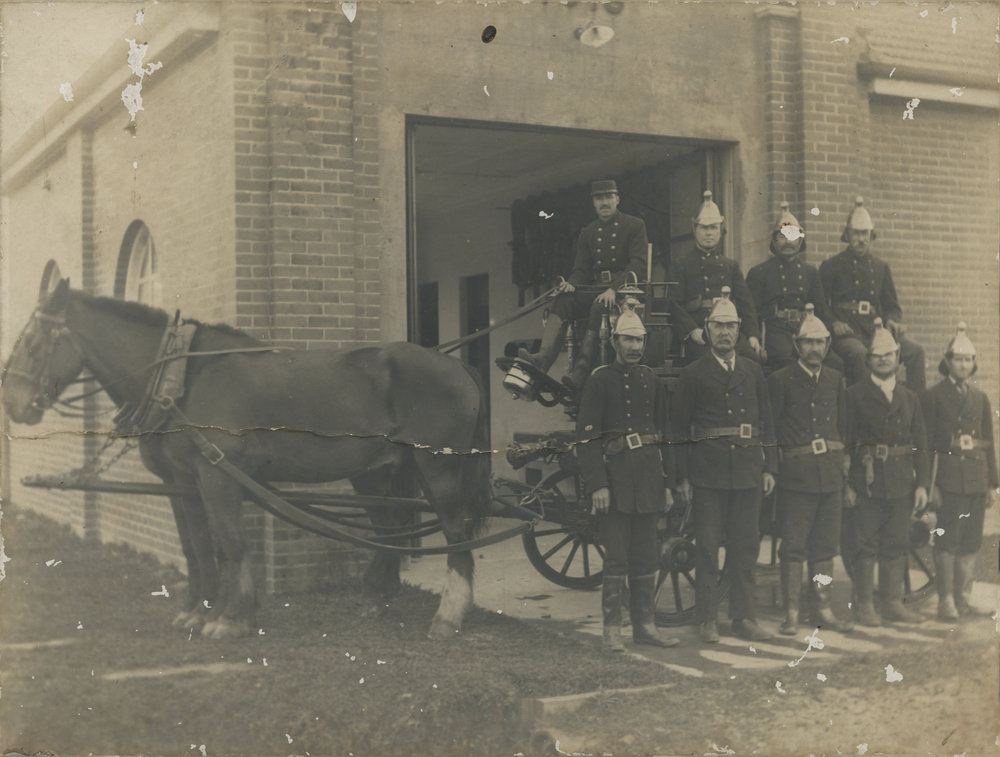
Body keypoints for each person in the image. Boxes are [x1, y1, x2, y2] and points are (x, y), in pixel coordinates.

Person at [673, 289, 777, 643]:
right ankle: (707, 620)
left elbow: (768, 424)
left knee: (745, 546)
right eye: (718, 326)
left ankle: (744, 617)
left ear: (738, 330)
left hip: (748, 469)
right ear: (707, 328)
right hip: (709, 472)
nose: (725, 333)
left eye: (731, 326)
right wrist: (681, 477)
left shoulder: (752, 371)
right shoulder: (693, 374)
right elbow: (677, 430)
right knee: (706, 547)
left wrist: (769, 468)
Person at [576, 309, 680, 652]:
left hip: (649, 479)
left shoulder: (651, 379)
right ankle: (612, 630)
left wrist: (668, 485)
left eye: (639, 340)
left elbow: (666, 434)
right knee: (617, 557)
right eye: (628, 339)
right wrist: (597, 485)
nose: (634, 346)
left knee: (646, 557)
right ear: (615, 341)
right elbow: (587, 438)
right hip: (616, 482)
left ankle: (645, 627)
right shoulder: (599, 380)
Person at [768, 305, 853, 635]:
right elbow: (772, 431)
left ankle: (823, 608)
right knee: (793, 546)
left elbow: (843, 426)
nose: (814, 349)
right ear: (796, 345)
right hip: (797, 476)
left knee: (824, 547)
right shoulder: (780, 380)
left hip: (830, 475)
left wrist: (844, 468)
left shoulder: (835, 380)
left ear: (828, 345)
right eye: (808, 343)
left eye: (820, 342)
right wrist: (774, 471)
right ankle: (790, 614)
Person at [519, 180, 646, 390]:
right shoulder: (588, 232)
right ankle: (542, 359)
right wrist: (571, 284)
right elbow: (581, 270)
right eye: (599, 198)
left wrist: (614, 288)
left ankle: (581, 371)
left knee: (599, 306)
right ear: (594, 203)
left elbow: (638, 265)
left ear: (617, 199)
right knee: (563, 300)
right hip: (595, 289)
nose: (604, 202)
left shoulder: (634, 225)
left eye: (608, 197)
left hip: (624, 292)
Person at [844, 319, 929, 625]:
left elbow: (921, 445)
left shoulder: (910, 398)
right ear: (868, 361)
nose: (883, 360)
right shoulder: (853, 395)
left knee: (896, 541)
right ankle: (865, 604)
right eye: (877, 356)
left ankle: (892, 603)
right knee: (865, 542)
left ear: (897, 358)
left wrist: (922, 485)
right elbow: (846, 442)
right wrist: (848, 484)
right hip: (866, 481)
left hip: (902, 481)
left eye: (889, 355)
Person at [921, 323, 999, 620]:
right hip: (949, 481)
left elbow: (988, 443)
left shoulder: (980, 398)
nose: (964, 365)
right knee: (948, 540)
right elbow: (926, 445)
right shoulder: (934, 396)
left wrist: (991, 484)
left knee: (970, 542)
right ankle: (946, 601)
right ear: (947, 362)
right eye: (958, 359)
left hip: (976, 481)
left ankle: (964, 598)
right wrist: (931, 485)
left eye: (968, 360)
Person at [819, 196, 925, 391]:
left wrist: (892, 320)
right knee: (860, 354)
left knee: (915, 351)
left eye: (865, 234)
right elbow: (820, 305)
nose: (861, 239)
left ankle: (915, 409)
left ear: (871, 235)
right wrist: (833, 323)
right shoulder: (831, 266)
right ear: (848, 235)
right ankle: (865, 410)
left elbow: (892, 306)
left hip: (877, 329)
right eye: (856, 234)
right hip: (847, 331)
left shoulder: (881, 267)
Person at [746, 202, 841, 374]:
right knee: (787, 360)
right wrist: (754, 338)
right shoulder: (759, 272)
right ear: (774, 241)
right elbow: (751, 311)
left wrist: (831, 331)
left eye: (792, 236)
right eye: (782, 237)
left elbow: (821, 310)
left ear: (800, 240)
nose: (787, 242)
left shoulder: (810, 272)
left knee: (835, 362)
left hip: (806, 329)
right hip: (776, 331)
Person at [669, 190, 763, 362]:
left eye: (713, 228)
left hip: (729, 329)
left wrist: (752, 336)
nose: (709, 233)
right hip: (700, 330)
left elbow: (745, 304)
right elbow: (674, 304)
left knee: (752, 361)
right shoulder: (681, 265)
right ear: (694, 229)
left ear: (721, 231)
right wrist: (691, 331)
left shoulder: (731, 266)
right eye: (704, 228)